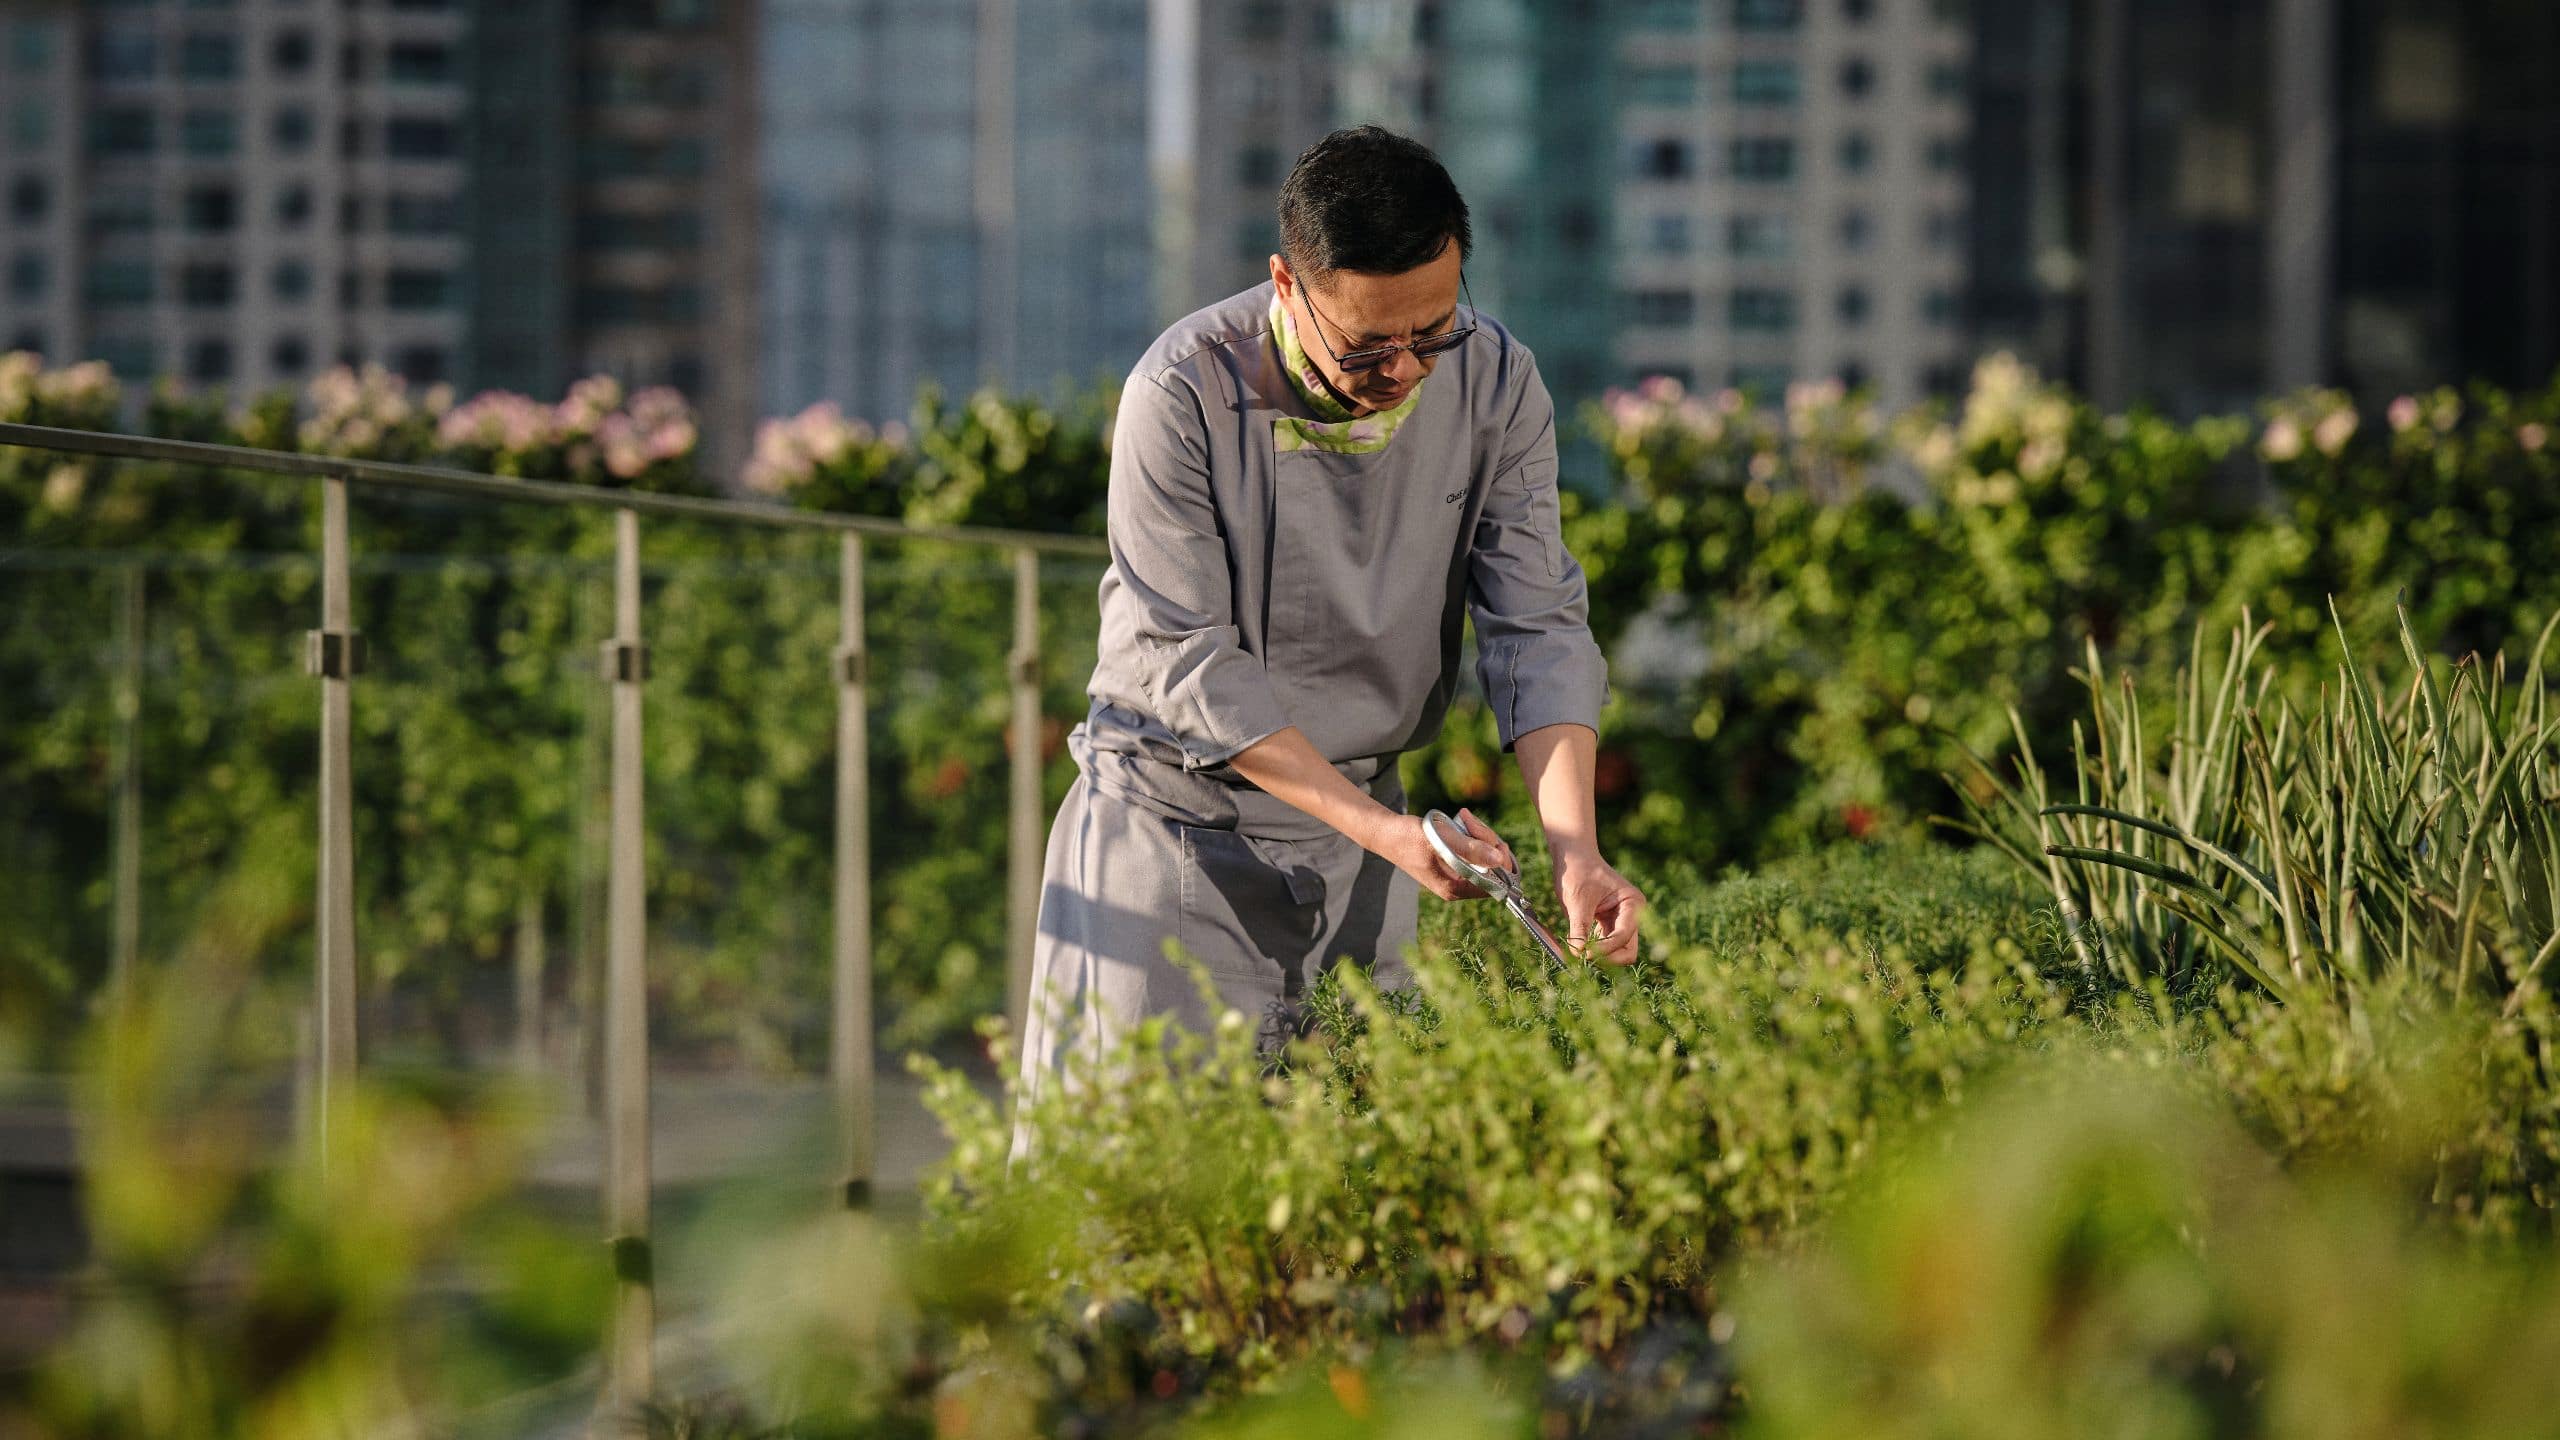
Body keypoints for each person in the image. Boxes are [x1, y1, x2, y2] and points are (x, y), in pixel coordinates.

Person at [1011, 125, 1644, 1147]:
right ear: (1284, 282)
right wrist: (1386, 832)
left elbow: (1536, 627)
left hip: (1358, 845)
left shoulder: (1498, 384)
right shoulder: (1179, 392)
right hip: (1173, 834)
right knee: (1129, 1213)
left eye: (1431, 331)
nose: (1404, 370)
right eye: (1365, 346)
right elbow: (1188, 662)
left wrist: (1576, 852)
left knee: (1339, 1218)